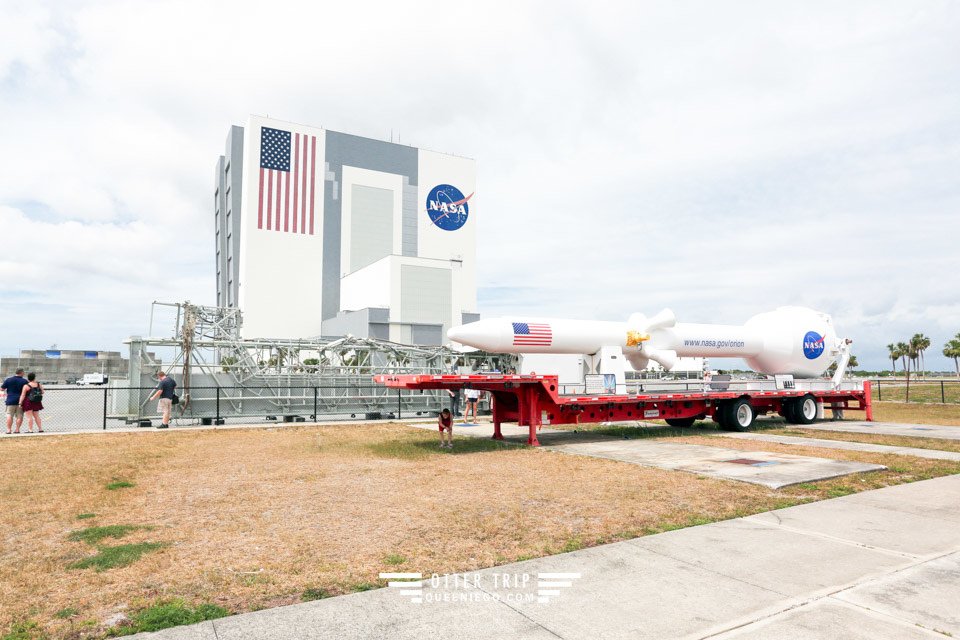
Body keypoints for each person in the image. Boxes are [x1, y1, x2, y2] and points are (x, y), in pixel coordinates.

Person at [2, 368, 28, 434]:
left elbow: (2, 388)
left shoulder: (8, 380)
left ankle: (8, 430)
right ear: (21, 372)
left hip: (10, 400)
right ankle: (17, 429)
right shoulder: (24, 381)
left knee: (9, 415)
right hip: (21, 400)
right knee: (20, 415)